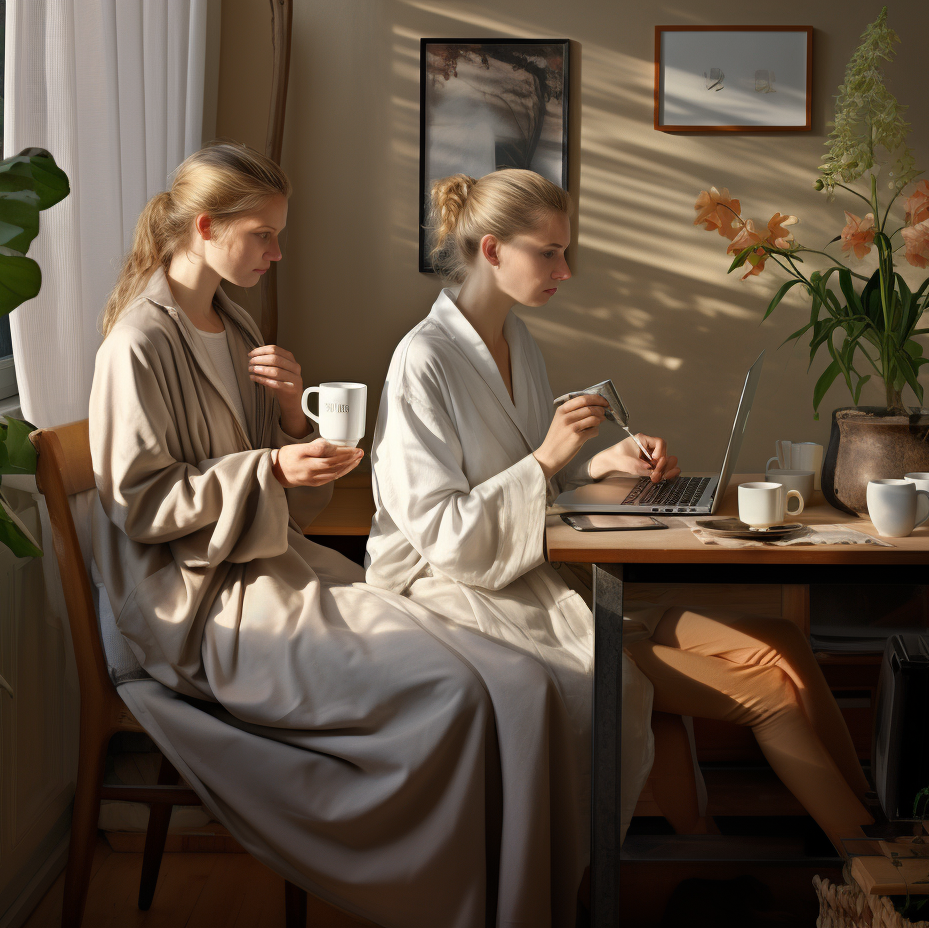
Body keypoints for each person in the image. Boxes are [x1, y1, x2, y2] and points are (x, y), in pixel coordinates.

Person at [89, 143, 582, 928]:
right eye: (263, 236)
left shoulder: (234, 321)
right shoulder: (138, 346)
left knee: (519, 684)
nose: (278, 254)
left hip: (281, 569)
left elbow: (281, 507)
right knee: (453, 692)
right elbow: (141, 506)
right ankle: (442, 902)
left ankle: (521, 906)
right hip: (200, 602)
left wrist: (291, 424)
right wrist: (273, 468)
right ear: (207, 226)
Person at [365, 168, 875, 855]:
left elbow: (517, 487)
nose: (564, 270)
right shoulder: (422, 361)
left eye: (564, 251)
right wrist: (548, 458)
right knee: (768, 692)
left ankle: (880, 830)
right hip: (464, 594)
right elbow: (448, 535)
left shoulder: (519, 345)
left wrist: (595, 466)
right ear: (491, 251)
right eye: (548, 253)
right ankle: (864, 865)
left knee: (782, 642)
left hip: (539, 570)